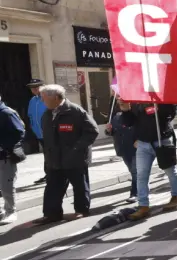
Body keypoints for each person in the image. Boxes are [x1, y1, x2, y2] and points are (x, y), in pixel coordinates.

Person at [38, 84, 98, 224]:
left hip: (74, 157)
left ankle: (81, 210)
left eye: (44, 98)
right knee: (53, 187)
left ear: (56, 97)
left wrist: (77, 148)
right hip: (54, 158)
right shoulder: (47, 114)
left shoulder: (75, 111)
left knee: (79, 185)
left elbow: (92, 131)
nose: (42, 101)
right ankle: (51, 214)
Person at [120, 98, 177, 220]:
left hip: (162, 140)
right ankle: (143, 205)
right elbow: (129, 123)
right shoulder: (135, 100)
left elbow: (170, 115)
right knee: (141, 175)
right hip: (143, 143)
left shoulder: (161, 96)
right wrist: (126, 111)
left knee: (170, 170)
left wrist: (159, 105)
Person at [106, 93, 137, 202]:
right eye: (118, 100)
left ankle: (135, 193)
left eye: (122, 99)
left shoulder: (134, 114)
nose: (120, 101)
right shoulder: (115, 116)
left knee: (135, 171)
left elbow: (141, 127)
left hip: (135, 146)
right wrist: (109, 130)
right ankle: (141, 187)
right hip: (122, 147)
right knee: (132, 170)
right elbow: (112, 132)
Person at [0, 93, 26, 225]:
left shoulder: (6, 113)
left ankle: (11, 211)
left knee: (6, 186)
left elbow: (19, 132)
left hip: (5, 155)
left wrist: (4, 145)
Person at [27, 79, 46, 183]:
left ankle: (54, 175)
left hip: (50, 133)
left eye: (37, 86)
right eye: (32, 87)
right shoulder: (32, 100)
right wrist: (33, 127)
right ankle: (49, 174)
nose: (34, 89)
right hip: (39, 134)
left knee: (52, 155)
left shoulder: (48, 98)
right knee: (47, 155)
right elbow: (30, 115)